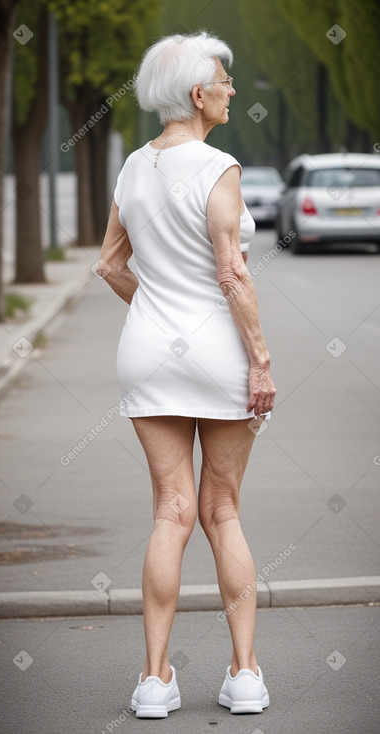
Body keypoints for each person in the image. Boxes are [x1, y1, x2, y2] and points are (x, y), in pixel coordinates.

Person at [97, 30, 276, 719]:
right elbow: (232, 272)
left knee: (170, 512)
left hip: (146, 349)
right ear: (199, 94)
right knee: (220, 510)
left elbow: (111, 265)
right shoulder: (218, 167)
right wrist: (258, 359)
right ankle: (245, 674)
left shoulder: (133, 168)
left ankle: (152, 681)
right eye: (226, 81)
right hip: (217, 351)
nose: (233, 90)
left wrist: (155, 313)